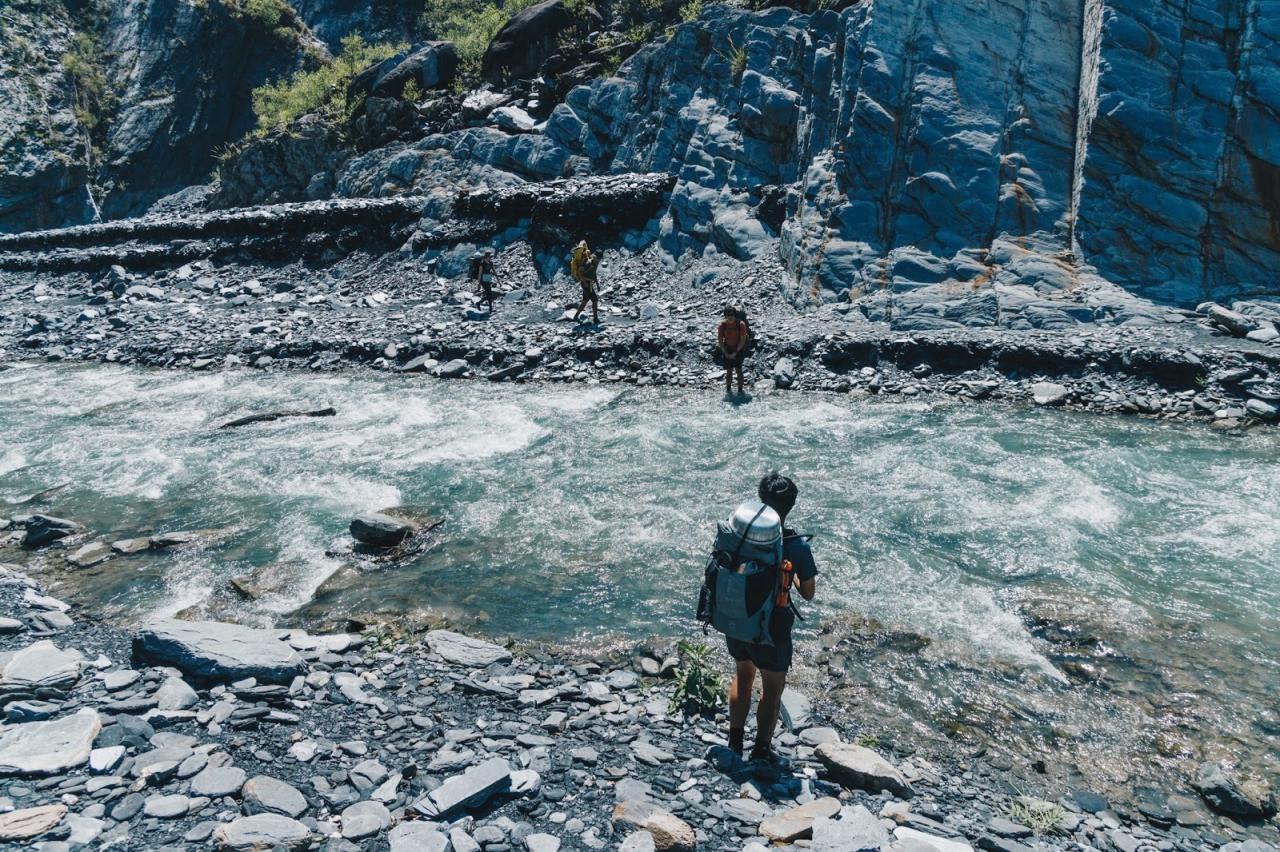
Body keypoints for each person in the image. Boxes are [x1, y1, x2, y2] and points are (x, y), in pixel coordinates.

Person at [725, 473, 817, 763]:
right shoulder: (796, 546)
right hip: (772, 628)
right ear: (791, 505)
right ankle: (762, 748)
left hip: (738, 618)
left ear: (760, 500)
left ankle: (735, 741)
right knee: (773, 689)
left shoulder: (739, 535)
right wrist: (793, 578)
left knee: (743, 676)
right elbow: (809, 593)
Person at [717, 305, 748, 396]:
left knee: (738, 370)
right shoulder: (722, 325)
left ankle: (740, 391)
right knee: (729, 371)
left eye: (732, 314)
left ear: (735, 315)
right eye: (728, 315)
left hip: (738, 349)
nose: (730, 317)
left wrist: (736, 352)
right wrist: (726, 353)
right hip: (727, 349)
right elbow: (720, 340)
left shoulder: (741, 324)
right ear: (725, 316)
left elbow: (743, 339)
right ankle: (728, 391)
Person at [569, 240, 600, 324]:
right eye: (598, 259)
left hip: (588, 285)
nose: (598, 260)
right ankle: (595, 318)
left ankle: (575, 316)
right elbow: (579, 272)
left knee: (585, 301)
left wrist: (597, 284)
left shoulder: (594, 264)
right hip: (586, 285)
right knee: (595, 300)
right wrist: (586, 282)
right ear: (596, 257)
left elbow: (593, 275)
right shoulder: (588, 263)